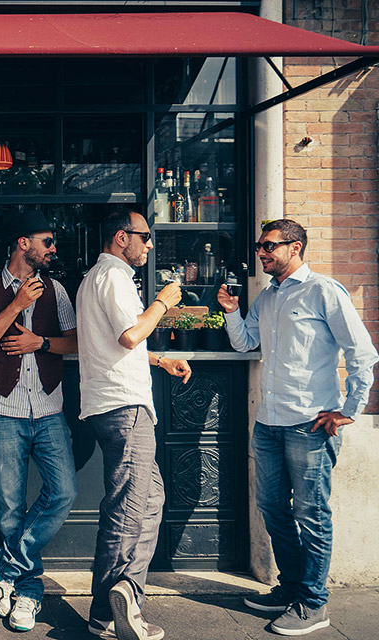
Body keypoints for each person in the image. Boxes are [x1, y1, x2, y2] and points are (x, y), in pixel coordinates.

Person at [218, 219, 377, 636]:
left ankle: (314, 603)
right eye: (260, 246)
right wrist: (232, 312)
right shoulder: (267, 297)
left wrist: (350, 409)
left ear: (296, 247)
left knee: (312, 515)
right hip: (269, 423)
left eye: (269, 245)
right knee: (273, 510)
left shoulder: (324, 290)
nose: (261, 252)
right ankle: (290, 587)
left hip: (311, 425)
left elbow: (362, 353)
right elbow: (245, 343)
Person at [76, 208, 191, 640]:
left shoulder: (96, 278)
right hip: (125, 407)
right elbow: (129, 335)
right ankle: (108, 613)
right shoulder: (115, 277)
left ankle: (124, 590)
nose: (150, 244)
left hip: (111, 404)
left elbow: (112, 343)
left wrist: (159, 360)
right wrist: (163, 301)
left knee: (150, 499)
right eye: (145, 236)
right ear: (122, 237)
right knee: (127, 508)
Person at [0, 211, 78, 632]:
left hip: (48, 408)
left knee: (64, 492)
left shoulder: (57, 289)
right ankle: (27, 593)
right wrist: (16, 305)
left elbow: (75, 342)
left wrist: (41, 342)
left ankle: (6, 563)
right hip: (2, 408)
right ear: (22, 243)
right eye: (47, 241)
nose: (53, 249)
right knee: (10, 509)